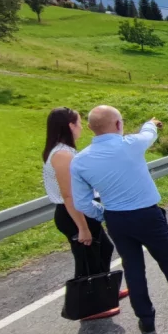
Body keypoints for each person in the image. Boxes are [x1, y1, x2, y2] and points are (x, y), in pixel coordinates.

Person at [70, 106, 168, 334]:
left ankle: (145, 319)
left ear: (91, 128)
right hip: (147, 215)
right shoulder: (130, 145)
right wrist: (152, 122)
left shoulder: (80, 161)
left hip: (116, 220)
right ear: (117, 124)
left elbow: (82, 202)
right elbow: (149, 134)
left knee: (133, 267)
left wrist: (104, 213)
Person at [42, 107, 126, 321]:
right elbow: (69, 195)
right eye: (78, 123)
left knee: (103, 249)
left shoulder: (64, 150)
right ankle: (89, 307)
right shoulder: (62, 154)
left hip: (79, 209)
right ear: (70, 126)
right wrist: (82, 227)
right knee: (86, 259)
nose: (81, 128)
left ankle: (105, 291)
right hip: (73, 213)